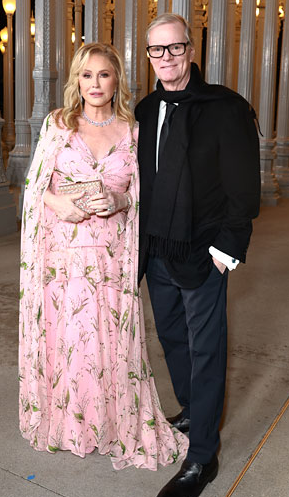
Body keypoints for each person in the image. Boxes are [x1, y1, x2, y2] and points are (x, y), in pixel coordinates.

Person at [19, 42, 188, 470]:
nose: (95, 83)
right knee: (71, 336)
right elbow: (35, 185)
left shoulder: (134, 131)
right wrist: (62, 206)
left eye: (104, 74)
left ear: (117, 80)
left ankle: (113, 424)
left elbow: (141, 193)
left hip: (112, 252)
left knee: (109, 336)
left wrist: (118, 200)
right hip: (65, 250)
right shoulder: (59, 124)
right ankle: (70, 420)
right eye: (86, 75)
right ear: (77, 80)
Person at [135, 13, 261, 497]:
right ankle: (192, 411)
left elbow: (243, 185)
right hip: (158, 251)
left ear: (190, 49)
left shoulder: (225, 107)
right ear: (148, 57)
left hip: (204, 251)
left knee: (206, 349)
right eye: (156, 50)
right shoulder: (145, 110)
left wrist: (227, 249)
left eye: (174, 47)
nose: (166, 58)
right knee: (171, 339)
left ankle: (203, 455)